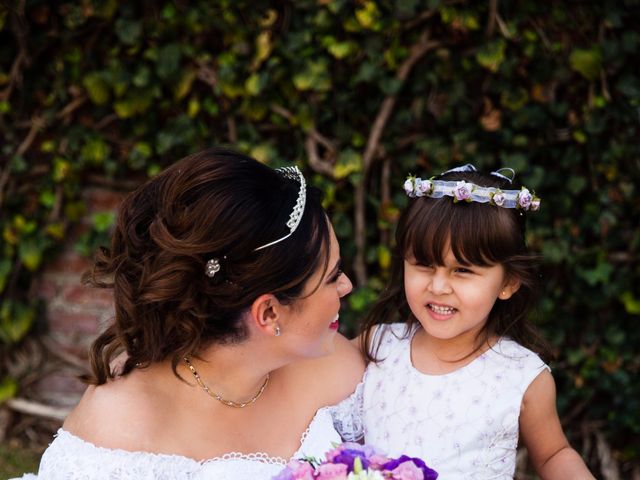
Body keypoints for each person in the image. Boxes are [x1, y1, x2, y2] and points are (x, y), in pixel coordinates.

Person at [21, 147, 363, 479]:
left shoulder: (334, 370)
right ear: (269, 312)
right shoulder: (116, 435)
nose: (347, 286)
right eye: (332, 276)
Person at [332, 165, 594, 479]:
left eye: (463, 271)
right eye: (424, 265)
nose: (439, 286)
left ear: (508, 282)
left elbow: (553, 454)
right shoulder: (377, 345)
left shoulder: (522, 375)